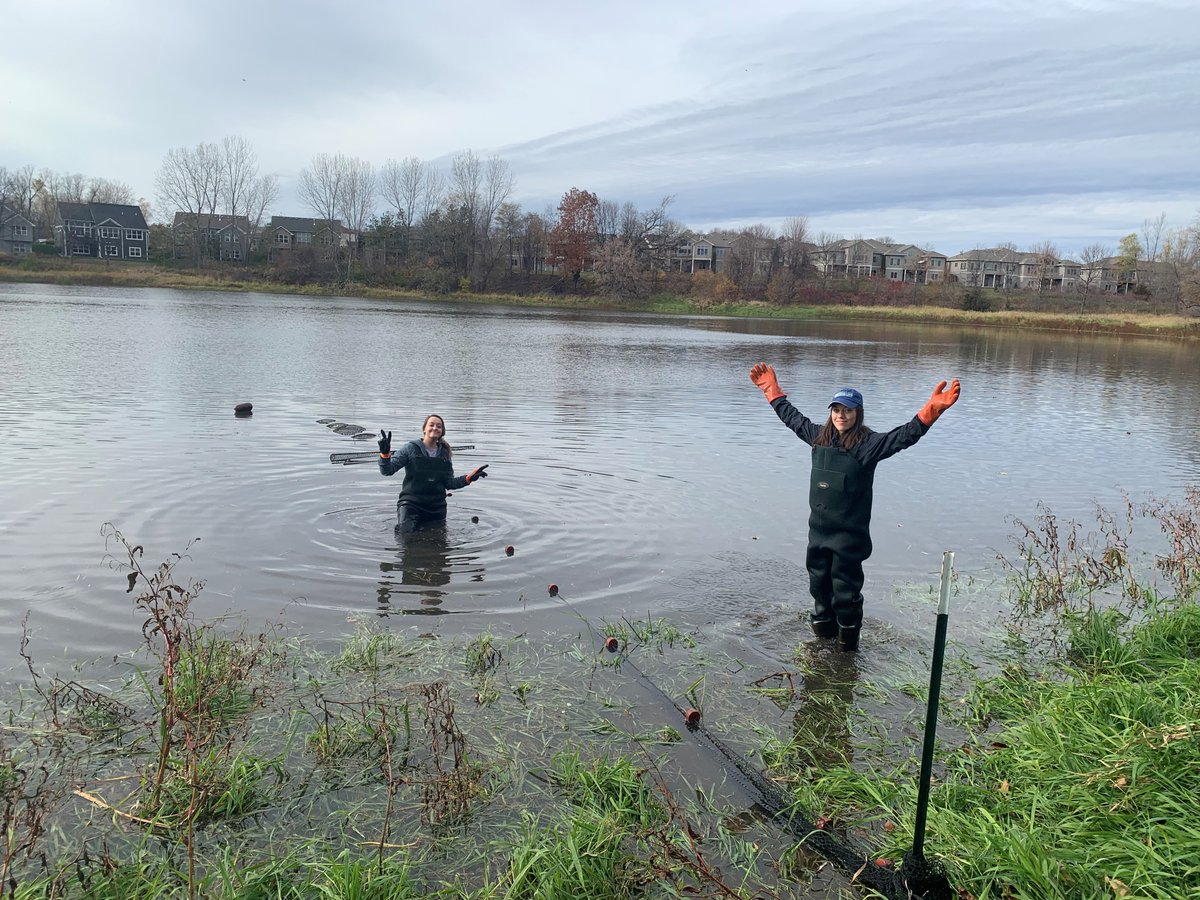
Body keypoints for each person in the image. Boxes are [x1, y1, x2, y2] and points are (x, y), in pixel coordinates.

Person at [749, 363, 960, 651]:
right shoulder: (817, 438)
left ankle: (848, 651)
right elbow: (792, 418)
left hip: (849, 539)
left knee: (845, 596)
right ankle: (823, 646)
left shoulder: (868, 445)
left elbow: (903, 436)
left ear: (857, 413)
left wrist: (930, 412)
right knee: (819, 590)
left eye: (847, 410)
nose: (841, 415)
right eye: (836, 410)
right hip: (818, 535)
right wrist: (773, 392)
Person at [378, 414, 489, 534]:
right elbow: (387, 471)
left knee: (438, 541)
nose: (435, 428)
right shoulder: (410, 448)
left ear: (442, 432)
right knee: (405, 538)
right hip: (410, 505)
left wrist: (468, 478)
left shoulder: (445, 454)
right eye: (431, 425)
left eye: (439, 426)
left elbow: (449, 483)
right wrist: (385, 455)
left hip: (436, 508)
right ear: (424, 429)